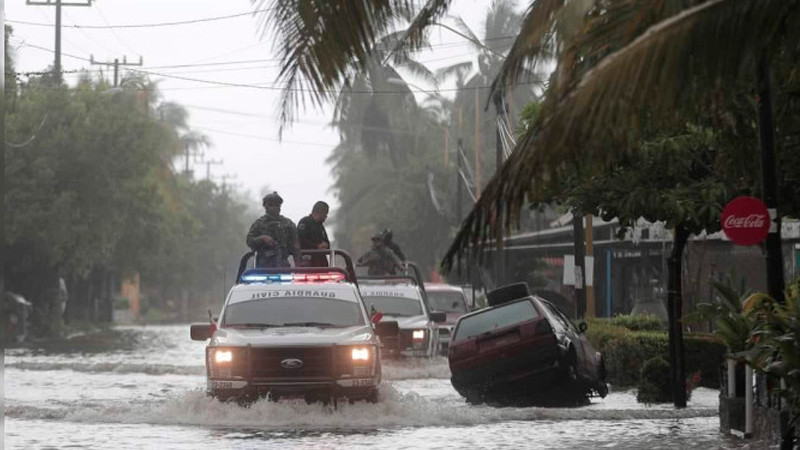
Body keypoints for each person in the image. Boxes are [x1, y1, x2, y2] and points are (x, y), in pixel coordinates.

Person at [246, 192, 301, 267]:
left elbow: (296, 246)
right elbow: (249, 240)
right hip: (263, 265)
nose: (274, 208)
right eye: (271, 205)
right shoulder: (259, 224)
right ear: (266, 207)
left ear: (280, 207)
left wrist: (298, 264)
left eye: (277, 205)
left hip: (283, 264)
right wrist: (263, 238)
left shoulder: (288, 224)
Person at [297, 201, 331, 267]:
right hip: (307, 261)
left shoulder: (320, 226)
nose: (326, 216)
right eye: (325, 214)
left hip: (321, 262)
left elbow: (327, 242)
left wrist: (326, 245)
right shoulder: (305, 222)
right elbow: (301, 240)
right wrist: (316, 246)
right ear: (319, 212)